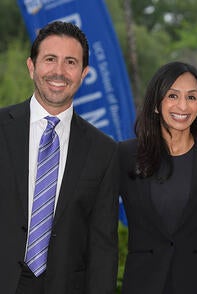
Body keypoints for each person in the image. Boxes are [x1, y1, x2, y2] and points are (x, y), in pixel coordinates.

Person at [0, 21, 119, 293]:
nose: (59, 71)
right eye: (50, 59)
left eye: (70, 62)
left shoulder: (104, 150)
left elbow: (103, 247)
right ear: (32, 66)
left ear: (83, 73)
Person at [119, 61, 197, 294]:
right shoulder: (125, 155)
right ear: (155, 104)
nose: (183, 105)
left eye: (192, 97)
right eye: (172, 96)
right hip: (143, 284)